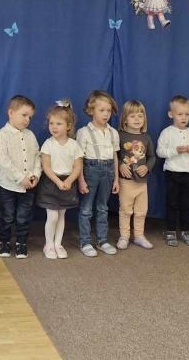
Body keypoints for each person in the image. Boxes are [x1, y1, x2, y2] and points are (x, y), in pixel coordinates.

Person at [0, 95, 41, 259]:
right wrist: (20, 178)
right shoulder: (3, 134)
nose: (27, 120)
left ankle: (21, 243)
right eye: (24, 115)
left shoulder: (30, 135)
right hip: (8, 185)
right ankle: (4, 241)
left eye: (30, 117)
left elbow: (37, 156)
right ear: (11, 113)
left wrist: (35, 175)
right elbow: (3, 160)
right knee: (7, 216)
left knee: (23, 217)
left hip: (28, 186)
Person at [36, 100, 83, 259]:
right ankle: (48, 245)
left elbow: (77, 166)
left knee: (62, 215)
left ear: (68, 126)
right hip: (51, 182)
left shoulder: (74, 145)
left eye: (58, 124)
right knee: (53, 216)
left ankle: (58, 244)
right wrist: (58, 181)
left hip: (67, 182)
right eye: (51, 123)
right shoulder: (48, 144)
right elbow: (46, 167)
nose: (54, 127)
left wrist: (69, 180)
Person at [76, 90, 120, 257]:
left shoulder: (113, 132)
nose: (106, 114)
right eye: (101, 110)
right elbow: (79, 158)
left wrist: (116, 179)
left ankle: (102, 240)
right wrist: (81, 180)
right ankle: (85, 241)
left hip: (108, 172)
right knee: (86, 208)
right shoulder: (83, 132)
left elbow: (115, 156)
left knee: (103, 207)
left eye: (108, 111)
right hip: (90, 170)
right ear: (91, 110)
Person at [156, 95, 189, 247]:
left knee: (186, 204)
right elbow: (160, 152)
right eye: (180, 114)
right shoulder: (167, 132)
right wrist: (175, 150)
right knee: (172, 203)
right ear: (171, 114)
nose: (184, 117)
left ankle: (185, 231)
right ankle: (170, 231)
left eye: (187, 114)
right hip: (172, 173)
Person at [116, 99, 155, 249]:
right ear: (125, 119)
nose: (137, 119)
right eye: (132, 116)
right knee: (125, 210)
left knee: (141, 211)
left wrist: (147, 167)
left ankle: (139, 235)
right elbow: (114, 156)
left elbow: (152, 157)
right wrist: (120, 165)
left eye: (140, 116)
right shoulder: (119, 136)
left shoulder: (146, 137)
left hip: (142, 182)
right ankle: (124, 236)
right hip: (126, 181)